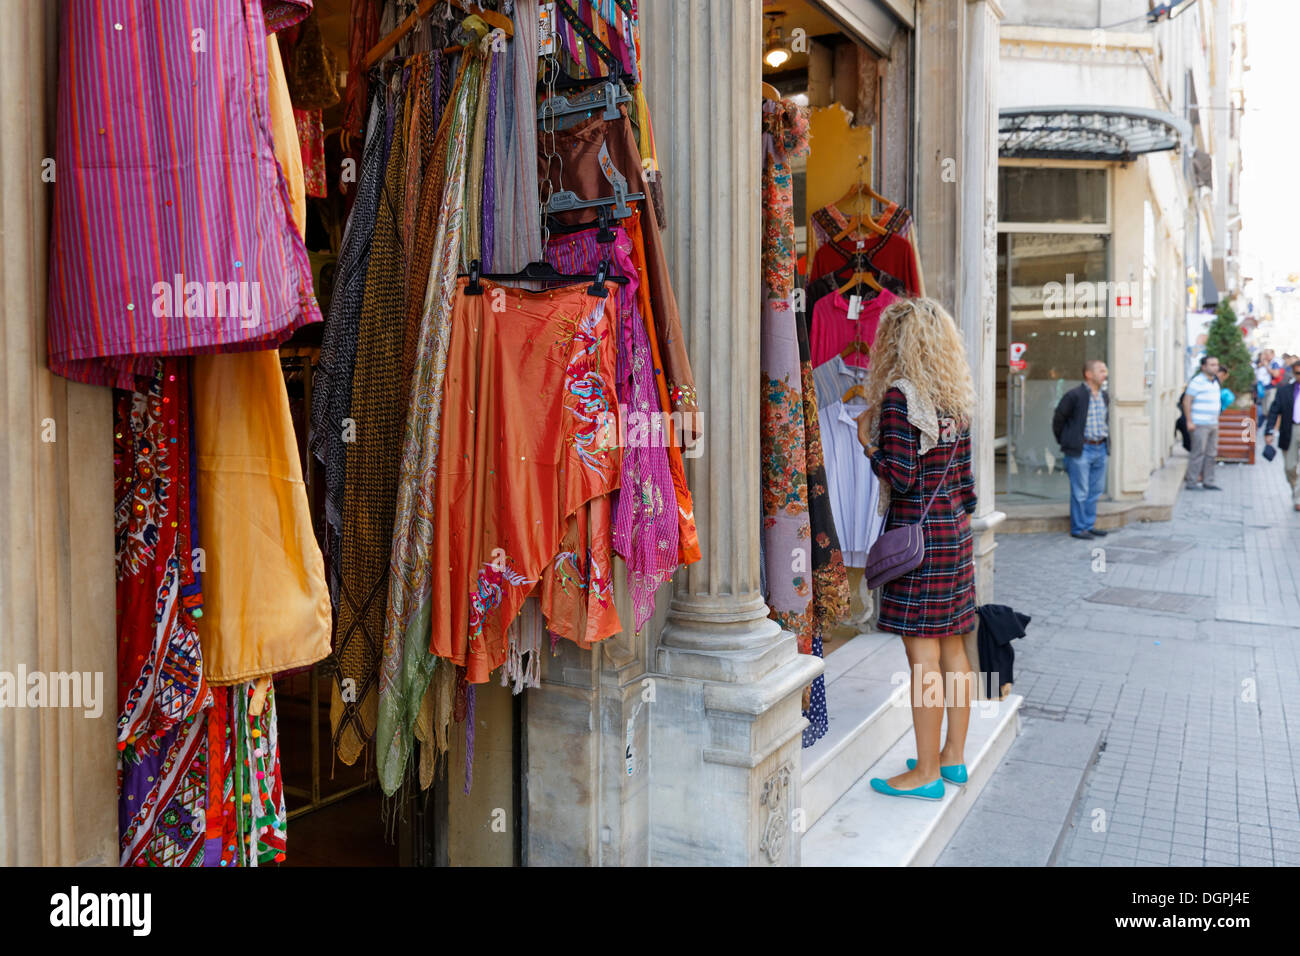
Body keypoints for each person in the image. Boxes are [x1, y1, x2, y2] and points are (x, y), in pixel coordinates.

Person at [855, 298, 977, 801]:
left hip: (917, 541)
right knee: (954, 651)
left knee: (922, 660)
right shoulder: (956, 397)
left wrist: (871, 447)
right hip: (955, 533)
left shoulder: (901, 399)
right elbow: (968, 486)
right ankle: (952, 757)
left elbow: (901, 477)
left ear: (896, 341)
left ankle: (924, 771)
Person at [1051, 359, 1110, 540]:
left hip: (1100, 448)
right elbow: (1058, 421)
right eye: (1101, 370)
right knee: (1080, 492)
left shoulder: (1104, 396)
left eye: (1105, 370)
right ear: (1088, 374)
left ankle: (1088, 525)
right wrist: (1068, 442)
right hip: (1080, 450)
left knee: (1095, 491)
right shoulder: (1074, 395)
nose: (1105, 374)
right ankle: (1078, 529)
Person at [1264, 356, 1300, 511]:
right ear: (1293, 373)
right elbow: (1274, 411)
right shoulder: (1284, 391)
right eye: (1298, 373)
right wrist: (1269, 431)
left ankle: (1298, 498)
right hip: (1289, 430)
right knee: (1289, 467)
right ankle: (1296, 492)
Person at [1183, 355, 1223, 490]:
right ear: (1204, 367)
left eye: (1216, 364)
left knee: (1211, 453)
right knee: (1198, 453)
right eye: (1212, 365)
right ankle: (1192, 482)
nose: (1215, 367)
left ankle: (1208, 481)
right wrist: (1189, 421)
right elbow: (1187, 401)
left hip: (1213, 423)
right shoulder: (1197, 381)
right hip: (1199, 423)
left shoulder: (1215, 382)